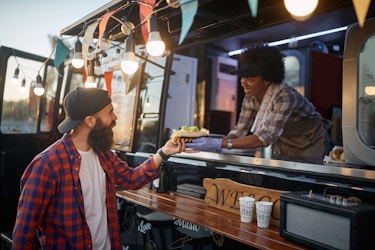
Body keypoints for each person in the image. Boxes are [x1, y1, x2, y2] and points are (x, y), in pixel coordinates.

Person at [12, 87, 185, 250]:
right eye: (110, 112)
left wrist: (163, 152)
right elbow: (24, 231)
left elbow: (132, 178)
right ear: (90, 121)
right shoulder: (47, 164)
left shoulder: (103, 154)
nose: (115, 117)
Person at [187, 44, 331, 164]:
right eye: (242, 76)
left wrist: (220, 144)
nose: (243, 82)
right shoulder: (251, 97)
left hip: (311, 142)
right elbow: (240, 131)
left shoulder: (286, 97)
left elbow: (265, 137)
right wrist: (216, 147)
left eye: (249, 78)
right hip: (284, 142)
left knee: (306, 183)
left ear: (267, 79)